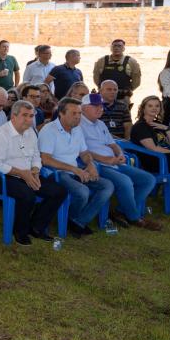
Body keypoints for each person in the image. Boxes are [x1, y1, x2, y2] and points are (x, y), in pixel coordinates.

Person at [0, 101, 68, 245]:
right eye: (25, 115)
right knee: (27, 195)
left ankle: (36, 227)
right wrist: (22, 173)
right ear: (13, 116)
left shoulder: (30, 132)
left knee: (59, 191)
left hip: (26, 174)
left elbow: (36, 156)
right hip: (0, 177)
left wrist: (35, 171)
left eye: (31, 116)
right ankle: (20, 231)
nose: (29, 120)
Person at [79, 94, 160, 230]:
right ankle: (134, 217)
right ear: (84, 108)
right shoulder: (78, 124)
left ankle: (121, 211)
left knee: (148, 179)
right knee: (125, 181)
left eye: (101, 106)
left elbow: (113, 144)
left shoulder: (100, 123)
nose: (100, 109)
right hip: (97, 165)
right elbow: (81, 151)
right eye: (95, 106)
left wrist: (120, 154)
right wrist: (108, 159)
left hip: (114, 162)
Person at [38, 98, 114, 238]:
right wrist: (75, 170)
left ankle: (77, 221)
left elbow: (84, 153)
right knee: (83, 191)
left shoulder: (77, 129)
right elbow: (45, 160)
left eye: (79, 113)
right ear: (61, 113)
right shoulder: (49, 130)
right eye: (74, 113)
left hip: (75, 170)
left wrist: (90, 164)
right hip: (56, 173)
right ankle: (71, 220)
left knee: (107, 185)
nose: (78, 117)